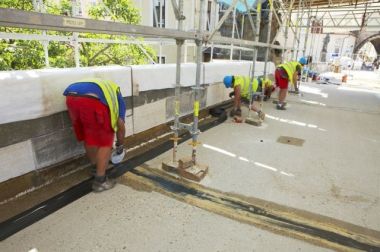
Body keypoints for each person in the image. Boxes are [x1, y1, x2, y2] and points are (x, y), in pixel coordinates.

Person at [63, 79, 126, 192]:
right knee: (105, 140)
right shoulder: (118, 98)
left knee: (89, 134)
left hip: (71, 97)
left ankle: (95, 167)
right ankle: (100, 182)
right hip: (92, 100)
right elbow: (120, 124)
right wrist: (120, 145)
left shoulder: (107, 87)